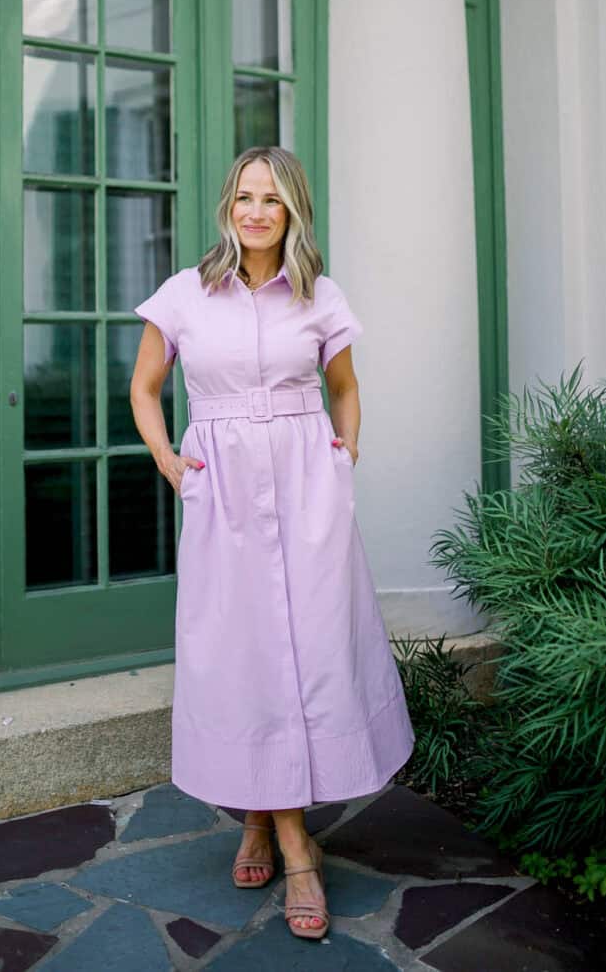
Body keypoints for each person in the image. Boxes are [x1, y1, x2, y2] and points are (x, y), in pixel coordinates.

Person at [130, 146, 415, 941]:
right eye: (244, 197)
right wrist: (168, 461)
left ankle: (262, 818)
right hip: (220, 490)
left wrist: (343, 455)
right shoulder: (186, 294)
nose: (256, 211)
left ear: (292, 211)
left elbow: (346, 387)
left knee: (308, 648)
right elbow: (144, 386)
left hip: (305, 487)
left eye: (272, 200)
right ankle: (295, 843)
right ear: (229, 205)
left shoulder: (320, 297)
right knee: (245, 650)